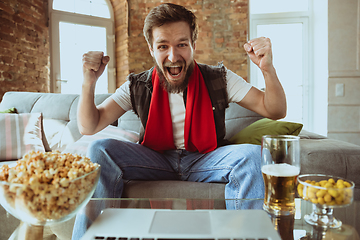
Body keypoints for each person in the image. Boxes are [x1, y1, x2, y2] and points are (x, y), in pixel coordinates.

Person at [72, 3, 286, 239]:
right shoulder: (137, 85)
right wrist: (88, 82)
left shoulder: (220, 79)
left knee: (254, 156)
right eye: (163, 46)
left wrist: (267, 68)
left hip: (207, 158)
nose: (173, 56)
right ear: (151, 49)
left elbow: (274, 109)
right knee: (99, 149)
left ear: (193, 45)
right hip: (155, 159)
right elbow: (89, 126)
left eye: (181, 45)